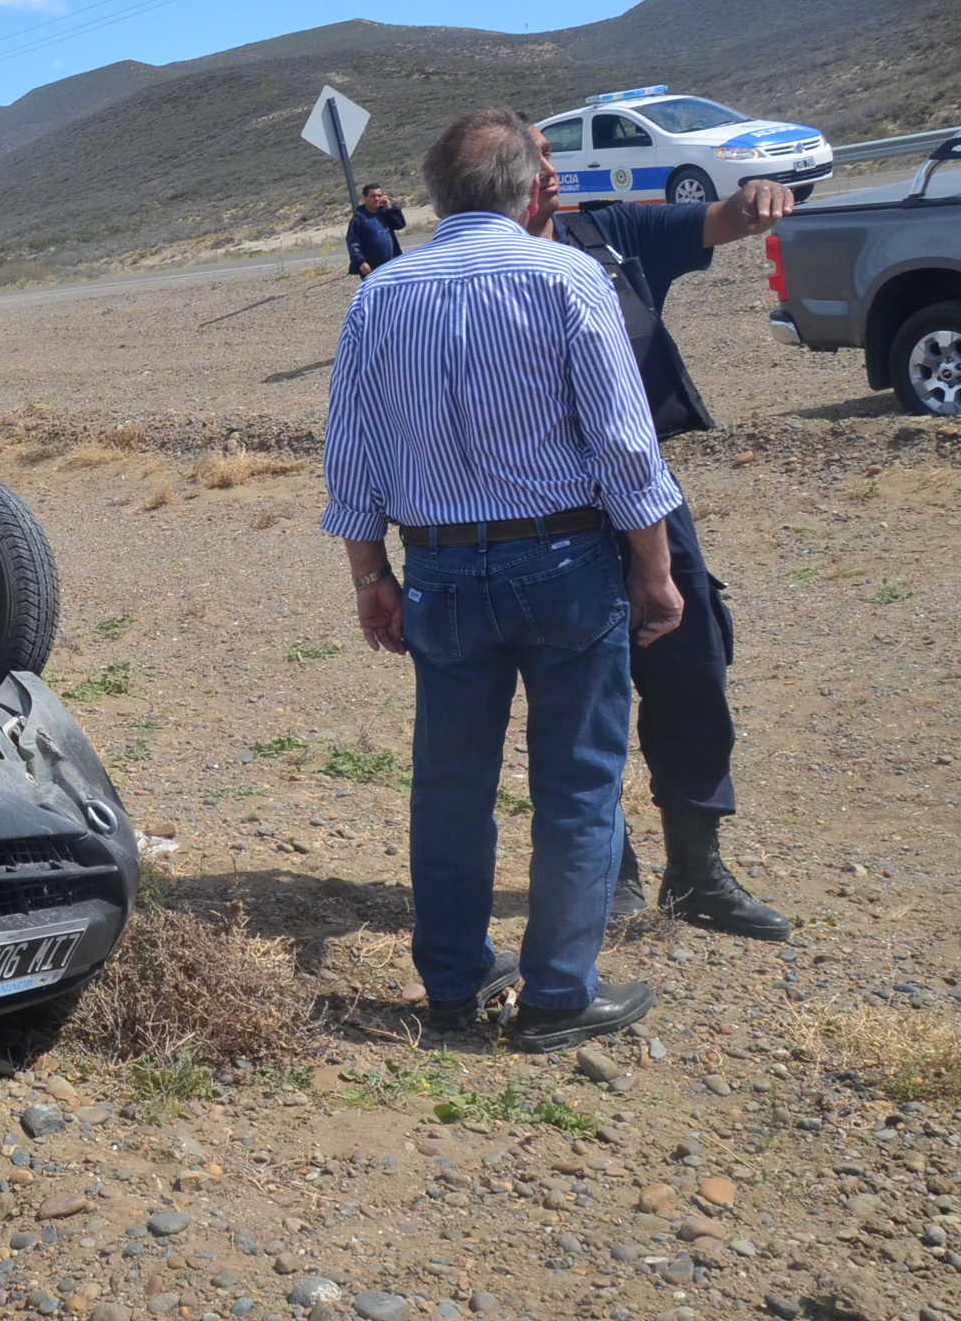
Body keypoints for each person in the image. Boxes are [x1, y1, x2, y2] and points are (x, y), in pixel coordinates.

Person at [323, 107, 684, 1052]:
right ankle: (559, 995)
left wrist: (371, 574)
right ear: (529, 188)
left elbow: (351, 454)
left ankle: (452, 986)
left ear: (438, 196)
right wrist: (656, 567)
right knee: (577, 784)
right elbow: (621, 441)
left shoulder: (381, 296)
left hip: (439, 569)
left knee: (449, 788)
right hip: (565, 559)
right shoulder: (568, 276)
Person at [527, 138, 796, 941]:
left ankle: (698, 870)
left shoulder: (609, 235)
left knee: (691, 667)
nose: (548, 170)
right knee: (579, 693)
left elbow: (719, 219)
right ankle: (611, 871)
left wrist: (756, 196)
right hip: (547, 514)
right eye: (531, 156)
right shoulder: (479, 271)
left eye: (549, 153)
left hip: (647, 498)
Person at [346, 183, 406, 276]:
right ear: (365, 198)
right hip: (372, 267)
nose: (377, 199)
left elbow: (400, 225)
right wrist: (361, 262)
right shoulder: (359, 219)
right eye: (373, 196)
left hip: (392, 263)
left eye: (379, 196)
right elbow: (353, 243)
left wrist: (390, 209)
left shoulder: (385, 213)